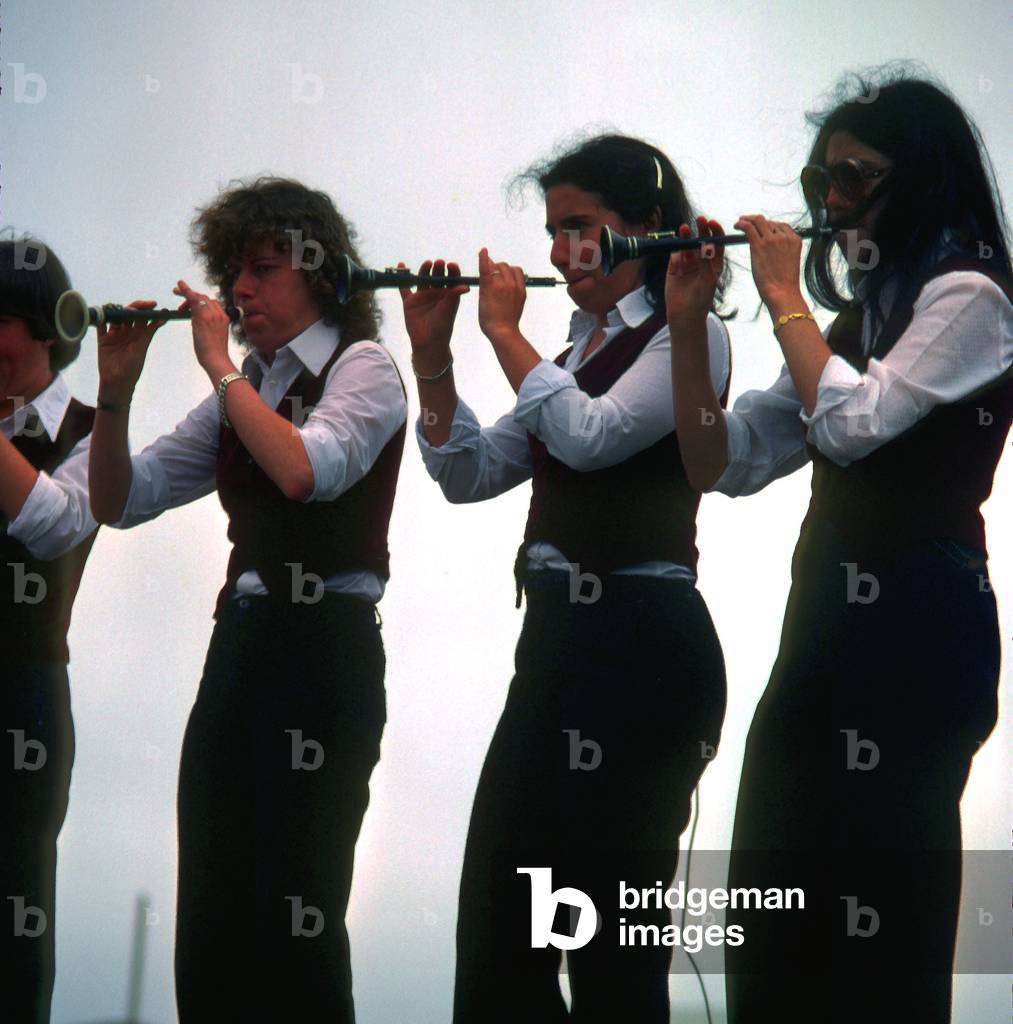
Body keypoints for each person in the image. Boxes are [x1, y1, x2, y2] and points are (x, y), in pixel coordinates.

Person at [664, 72, 1012, 1023]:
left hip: (920, 621)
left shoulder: (971, 295)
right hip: (825, 621)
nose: (829, 201)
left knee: (881, 916)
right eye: (821, 179)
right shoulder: (855, 318)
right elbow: (722, 460)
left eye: (854, 176)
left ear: (923, 178)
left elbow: (856, 425)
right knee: (776, 896)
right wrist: (687, 325)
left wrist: (782, 294)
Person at [401, 134, 730, 1022]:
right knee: (499, 940)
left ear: (647, 226)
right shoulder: (575, 350)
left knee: (609, 957)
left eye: (578, 227)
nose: (557, 253)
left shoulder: (689, 336)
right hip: (557, 645)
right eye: (553, 232)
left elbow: (589, 439)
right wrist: (433, 358)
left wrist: (504, 334)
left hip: (638, 644)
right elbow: (470, 473)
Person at [87, 178, 407, 1021]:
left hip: (325, 646)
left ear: (320, 272)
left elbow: (304, 470)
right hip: (242, 646)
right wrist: (115, 392)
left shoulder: (362, 365)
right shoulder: (246, 385)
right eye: (233, 272)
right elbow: (119, 500)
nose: (240, 291)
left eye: (263, 269)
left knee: (296, 909)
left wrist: (221, 367)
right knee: (213, 917)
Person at [0, 236, 99, 1022]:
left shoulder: (92, 431)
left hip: (22, 696)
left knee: (14, 912)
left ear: (44, 326)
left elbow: (51, 524)